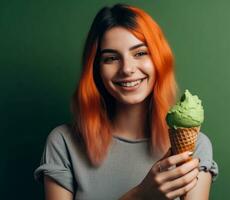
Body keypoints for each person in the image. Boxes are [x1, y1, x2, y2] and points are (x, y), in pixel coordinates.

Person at [34, 3, 219, 200]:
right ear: (96, 70)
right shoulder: (64, 142)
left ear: (159, 59)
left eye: (140, 53)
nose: (127, 69)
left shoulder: (195, 147)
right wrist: (139, 196)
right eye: (111, 58)